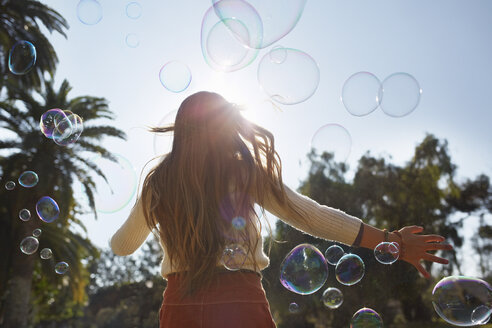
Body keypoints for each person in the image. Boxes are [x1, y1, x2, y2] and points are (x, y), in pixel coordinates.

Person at [110, 91, 453, 328]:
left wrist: (153, 209)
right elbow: (310, 215)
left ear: (181, 131)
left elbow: (122, 246)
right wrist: (390, 240)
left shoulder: (159, 183)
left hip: (179, 304)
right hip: (240, 299)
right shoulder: (242, 171)